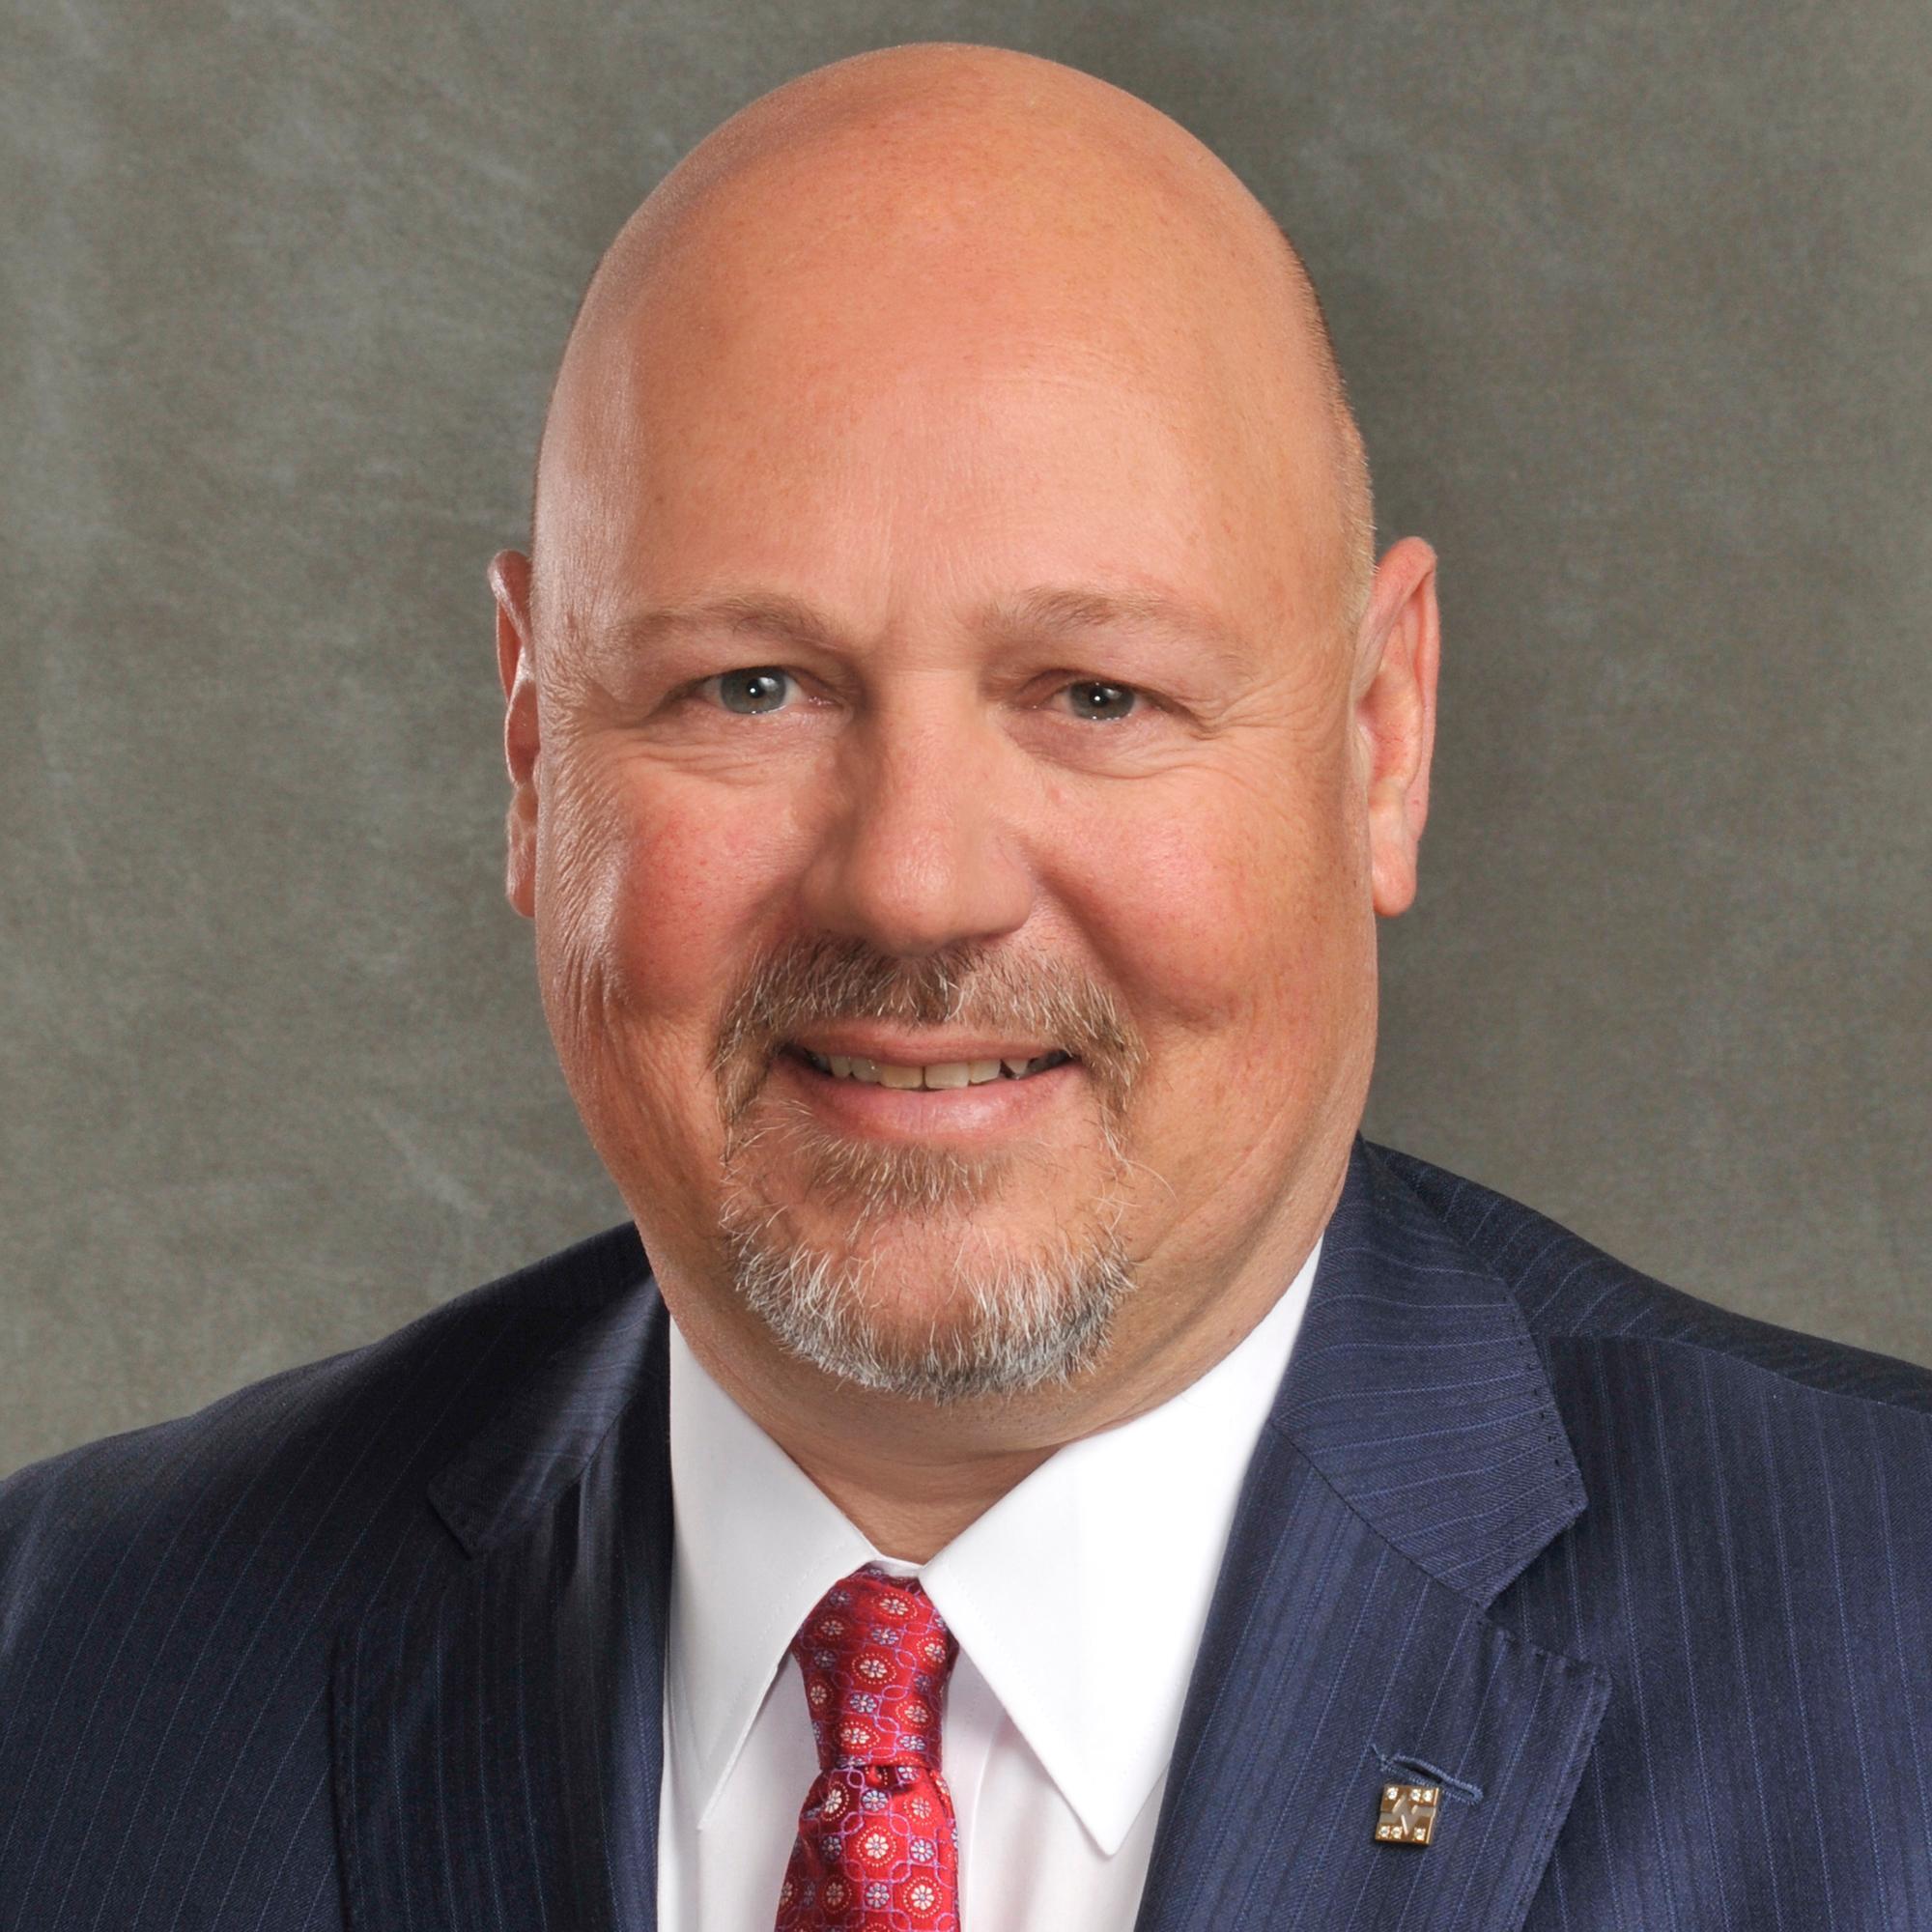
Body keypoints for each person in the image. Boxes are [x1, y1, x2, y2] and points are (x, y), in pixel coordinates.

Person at [2, 40, 1926, 1932]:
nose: (915, 883)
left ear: (1381, 736)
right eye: (750, 686)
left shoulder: (1890, 1658)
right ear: (531, 746)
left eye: (1097, 694)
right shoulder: (69, 1670)